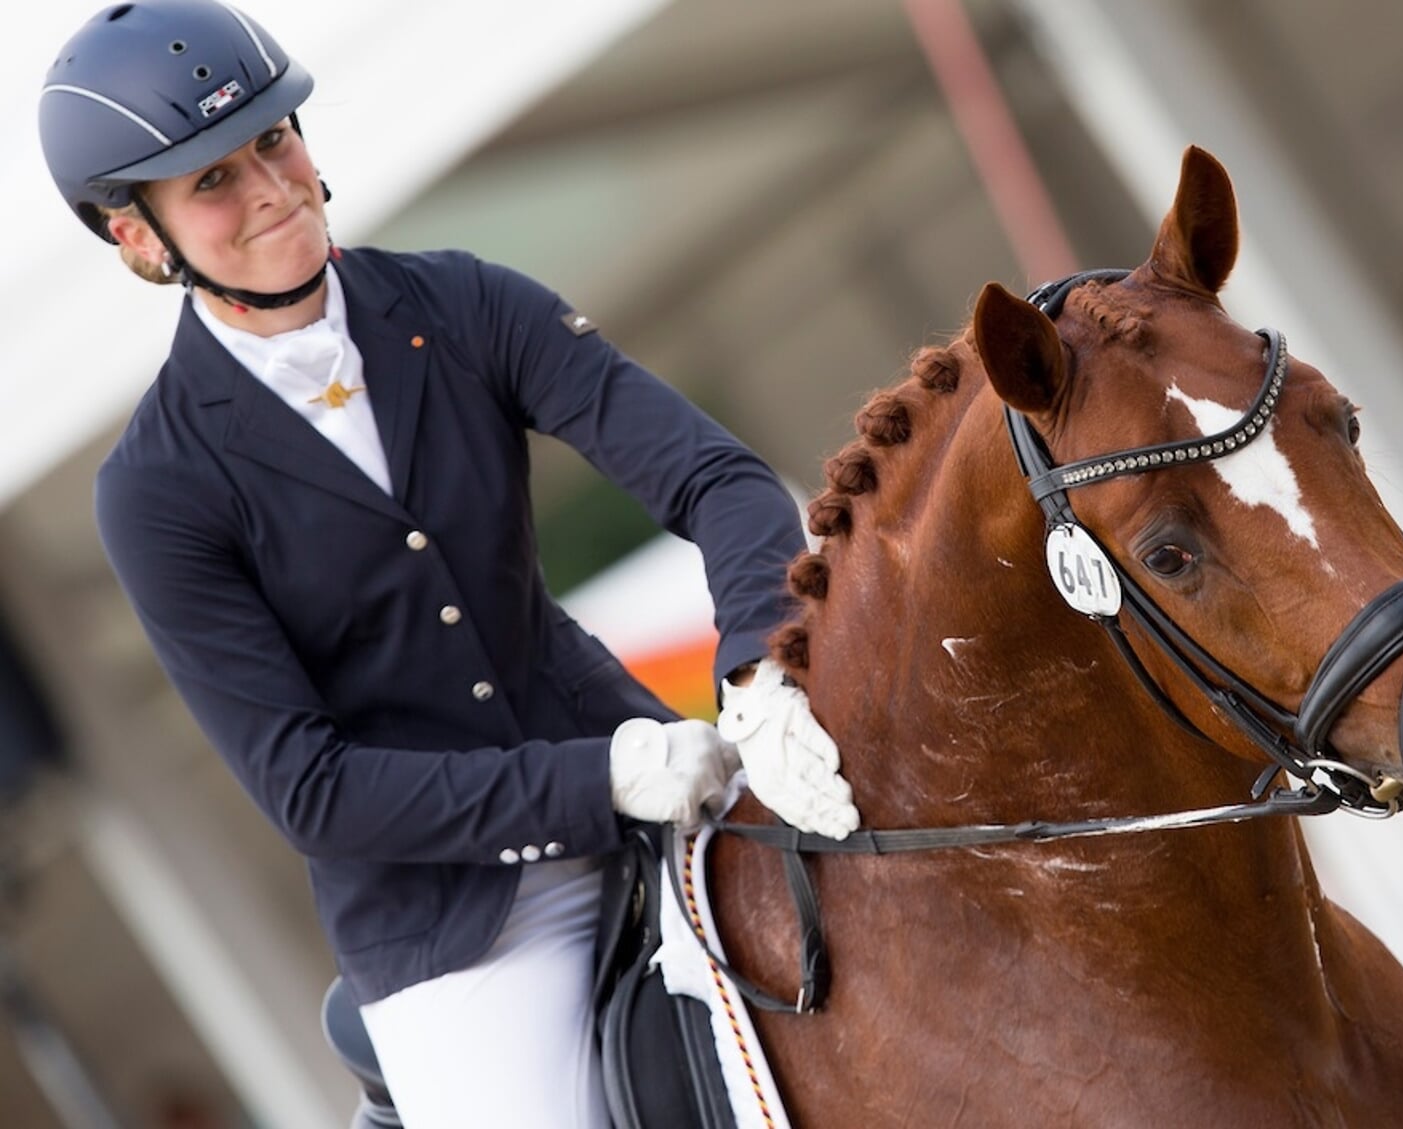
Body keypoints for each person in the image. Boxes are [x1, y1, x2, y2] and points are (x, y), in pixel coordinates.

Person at [37, 3, 859, 1126]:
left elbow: (716, 482)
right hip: (458, 928)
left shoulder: (465, 303)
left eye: (273, 141)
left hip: (665, 794)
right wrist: (596, 778)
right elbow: (311, 790)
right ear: (136, 236)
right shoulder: (158, 488)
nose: (271, 186)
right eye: (213, 182)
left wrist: (760, 671)